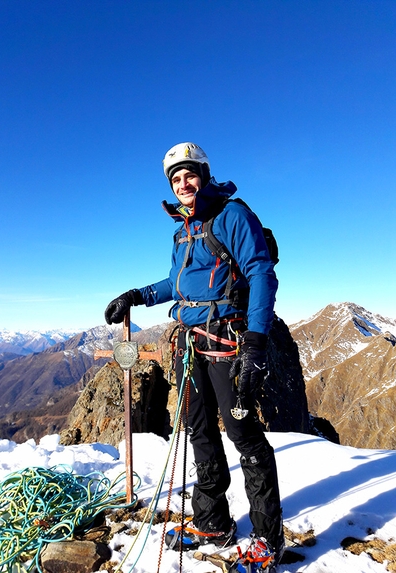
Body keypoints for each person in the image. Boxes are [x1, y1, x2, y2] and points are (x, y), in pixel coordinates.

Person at [104, 142, 284, 569]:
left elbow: (261, 273)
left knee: (243, 434)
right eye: (175, 178)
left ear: (203, 174)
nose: (183, 184)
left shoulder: (231, 215)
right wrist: (138, 295)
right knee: (198, 428)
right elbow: (178, 282)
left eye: (189, 174)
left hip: (227, 338)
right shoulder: (183, 230)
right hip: (191, 341)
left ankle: (267, 538)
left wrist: (256, 345)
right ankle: (213, 521)